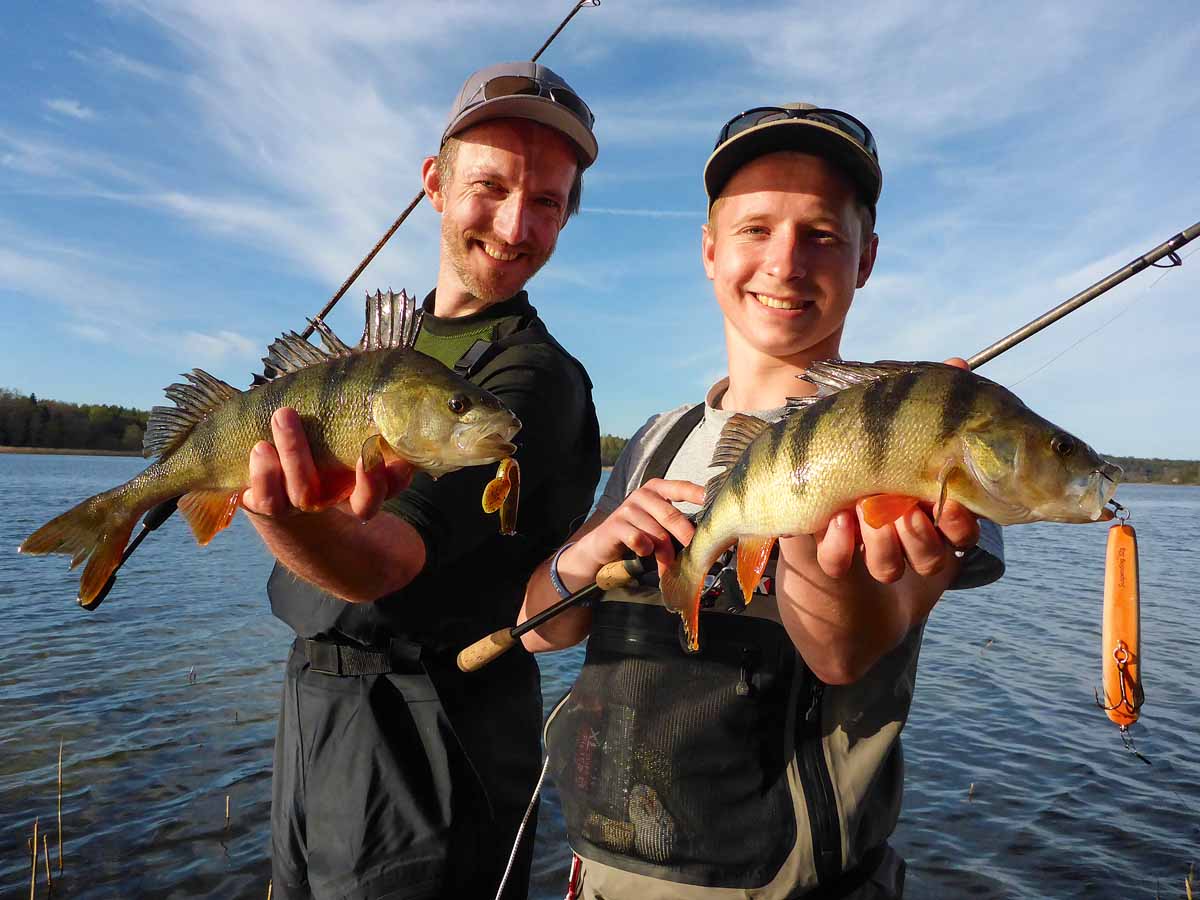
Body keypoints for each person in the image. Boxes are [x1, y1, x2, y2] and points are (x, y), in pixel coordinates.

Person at [519, 104, 1005, 899]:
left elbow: (844, 653)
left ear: (866, 258)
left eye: (820, 234)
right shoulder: (655, 443)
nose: (784, 263)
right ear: (709, 251)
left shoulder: (919, 447)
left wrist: (812, 537)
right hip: (601, 876)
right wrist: (580, 556)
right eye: (754, 230)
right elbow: (539, 631)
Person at [241, 61, 602, 900]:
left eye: (547, 202)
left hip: (433, 739)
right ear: (434, 184)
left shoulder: (532, 381)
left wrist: (279, 513)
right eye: (491, 185)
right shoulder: (380, 357)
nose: (515, 225)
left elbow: (383, 561)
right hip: (317, 711)